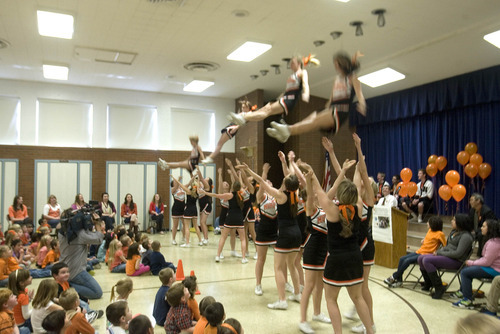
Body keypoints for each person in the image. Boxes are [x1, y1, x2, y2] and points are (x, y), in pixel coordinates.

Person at [301, 160, 374, 334]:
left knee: (331, 300)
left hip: (335, 261)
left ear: (339, 196)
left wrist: (312, 173)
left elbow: (319, 192)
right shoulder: (357, 207)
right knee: (358, 298)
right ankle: (370, 331)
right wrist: (358, 169)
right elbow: (355, 185)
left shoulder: (332, 210)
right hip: (355, 259)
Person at [266, 51, 366, 143]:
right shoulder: (337, 79)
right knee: (309, 118)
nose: (335, 66)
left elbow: (360, 95)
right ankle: (287, 134)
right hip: (331, 108)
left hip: (340, 111)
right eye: (334, 63)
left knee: (315, 121)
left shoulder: (352, 78)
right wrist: (324, 110)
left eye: (337, 63)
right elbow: (331, 98)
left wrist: (362, 105)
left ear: (343, 63)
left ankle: (288, 130)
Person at [240, 162, 302, 310]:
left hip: (284, 234)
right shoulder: (296, 193)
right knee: (292, 265)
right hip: (296, 233)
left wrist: (250, 169)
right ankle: (297, 293)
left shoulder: (280, 195)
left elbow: (261, 181)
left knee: (279, 268)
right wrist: (286, 161)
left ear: (285, 185)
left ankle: (282, 300)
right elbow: (288, 178)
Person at [228, 56, 311, 126]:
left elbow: (305, 84)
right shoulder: (292, 75)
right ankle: (244, 117)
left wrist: (306, 93)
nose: (291, 65)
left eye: (293, 62)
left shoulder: (303, 72)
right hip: (284, 98)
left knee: (267, 111)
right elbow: (287, 91)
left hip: (289, 100)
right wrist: (277, 99)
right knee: (264, 109)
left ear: (299, 64)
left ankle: (243, 117)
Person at [297, 162, 330, 334]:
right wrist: (309, 180)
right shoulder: (311, 209)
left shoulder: (326, 207)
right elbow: (309, 195)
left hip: (323, 251)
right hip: (311, 250)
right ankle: (303, 320)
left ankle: (317, 313)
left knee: (320, 285)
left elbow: (330, 191)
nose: (318, 194)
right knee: (309, 286)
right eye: (316, 194)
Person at [418, 213, 474, 299]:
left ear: (460, 222)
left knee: (427, 260)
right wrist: (439, 251)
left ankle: (438, 287)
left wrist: (440, 253)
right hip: (448, 257)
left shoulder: (466, 236)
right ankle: (428, 283)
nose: (452, 221)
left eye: (454, 220)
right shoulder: (454, 232)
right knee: (420, 258)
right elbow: (447, 247)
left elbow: (458, 253)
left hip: (457, 261)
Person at [384, 216, 446, 287]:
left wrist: (439, 252)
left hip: (426, 254)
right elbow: (428, 239)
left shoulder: (440, 234)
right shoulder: (430, 230)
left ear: (433, 224)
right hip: (420, 251)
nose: (427, 223)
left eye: (428, 222)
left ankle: (394, 277)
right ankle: (399, 280)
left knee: (407, 260)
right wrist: (424, 240)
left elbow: (445, 245)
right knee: (402, 258)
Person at [452, 219, 500, 308]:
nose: (481, 228)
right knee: (466, 270)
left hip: (495, 270)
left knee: (465, 272)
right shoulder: (492, 241)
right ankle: (463, 292)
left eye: (484, 226)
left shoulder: (494, 243)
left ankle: (467, 300)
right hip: (492, 267)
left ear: (490, 229)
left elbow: (486, 261)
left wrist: (472, 262)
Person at [58, 213, 105, 300]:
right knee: (97, 292)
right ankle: (67, 287)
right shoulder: (80, 235)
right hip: (76, 271)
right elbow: (99, 238)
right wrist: (97, 223)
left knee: (93, 262)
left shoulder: (62, 232)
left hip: (64, 267)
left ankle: (66, 282)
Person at [199, 181, 247, 264]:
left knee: (223, 237)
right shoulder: (242, 194)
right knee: (243, 239)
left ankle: (218, 255)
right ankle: (243, 258)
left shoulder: (230, 195)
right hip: (239, 218)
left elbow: (216, 195)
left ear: (233, 186)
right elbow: (244, 188)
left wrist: (204, 192)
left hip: (230, 217)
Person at [201, 99, 253, 164]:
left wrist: (236, 128)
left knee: (220, 144)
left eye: (244, 107)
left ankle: (210, 158)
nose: (242, 108)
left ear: (248, 108)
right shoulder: (244, 113)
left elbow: (243, 123)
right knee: (219, 144)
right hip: (230, 126)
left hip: (232, 128)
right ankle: (210, 158)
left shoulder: (248, 114)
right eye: (242, 107)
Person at [253, 163, 278, 296]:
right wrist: (264, 173)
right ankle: (258, 284)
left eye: (270, 182)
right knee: (261, 259)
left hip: (276, 230)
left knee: (281, 260)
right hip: (263, 230)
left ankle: (284, 282)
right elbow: (262, 183)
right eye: (266, 182)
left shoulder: (276, 196)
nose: (268, 183)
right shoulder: (261, 197)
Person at [171, 175, 203, 247]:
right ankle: (200, 241)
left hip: (187, 209)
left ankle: (187, 242)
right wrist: (195, 179)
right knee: (195, 226)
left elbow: (183, 185)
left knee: (186, 226)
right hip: (193, 210)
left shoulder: (188, 191)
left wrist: (176, 179)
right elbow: (190, 184)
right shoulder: (197, 191)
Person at [8, 269, 33, 333]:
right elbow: (26, 316)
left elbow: (18, 306)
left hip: (12, 323)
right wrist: (36, 308)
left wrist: (29, 299)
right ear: (21, 283)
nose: (31, 277)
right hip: (21, 324)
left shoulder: (11, 293)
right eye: (29, 277)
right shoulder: (23, 296)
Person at [195, 168, 212, 245]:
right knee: (201, 223)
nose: (205, 179)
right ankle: (205, 237)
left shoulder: (207, 187)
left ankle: (206, 238)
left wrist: (198, 169)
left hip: (207, 205)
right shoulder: (202, 187)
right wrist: (198, 179)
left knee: (202, 222)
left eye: (206, 179)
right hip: (201, 206)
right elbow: (198, 190)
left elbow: (201, 178)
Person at [170, 178, 186, 245]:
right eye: (174, 182)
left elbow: (187, 185)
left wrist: (192, 179)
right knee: (175, 225)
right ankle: (173, 239)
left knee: (185, 224)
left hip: (183, 209)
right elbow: (176, 186)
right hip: (176, 209)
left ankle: (184, 237)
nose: (176, 182)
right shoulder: (173, 189)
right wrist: (178, 180)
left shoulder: (181, 188)